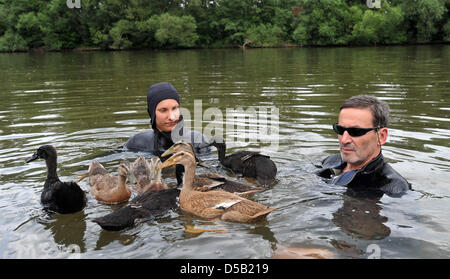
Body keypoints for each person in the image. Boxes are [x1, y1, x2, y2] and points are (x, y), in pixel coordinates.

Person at [316, 95, 411, 197]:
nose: (344, 140)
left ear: (381, 136)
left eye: (356, 131)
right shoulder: (330, 161)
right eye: (340, 130)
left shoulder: (394, 188)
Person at [124, 82, 209, 156]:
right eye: (163, 110)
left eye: (175, 109)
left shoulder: (199, 141)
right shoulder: (137, 142)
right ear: (152, 113)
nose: (171, 117)